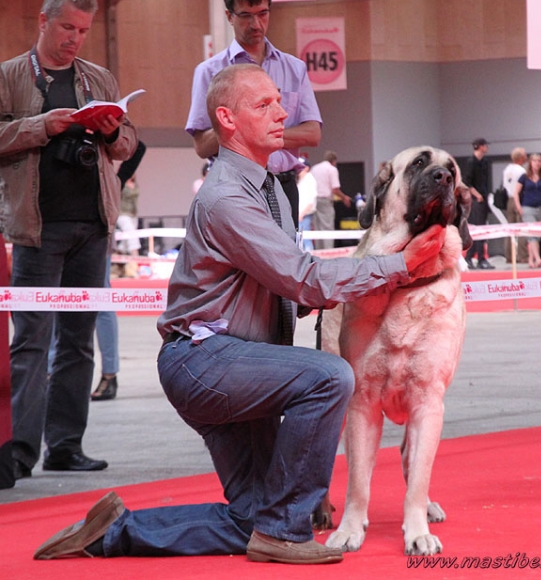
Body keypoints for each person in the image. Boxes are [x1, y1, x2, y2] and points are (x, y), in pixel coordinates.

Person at [33, 64, 446, 565]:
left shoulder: (268, 184)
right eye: (264, 105)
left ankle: (112, 533)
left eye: (279, 100)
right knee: (330, 377)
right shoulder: (229, 195)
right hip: (205, 362)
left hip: (231, 360)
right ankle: (287, 531)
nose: (282, 111)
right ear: (227, 119)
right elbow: (303, 279)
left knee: (251, 518)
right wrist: (400, 266)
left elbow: (297, 282)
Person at [0, 0, 138, 480]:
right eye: (66, 28)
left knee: (78, 342)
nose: (74, 39)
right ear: (43, 21)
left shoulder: (97, 77)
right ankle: (17, 451)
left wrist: (110, 131)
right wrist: (44, 126)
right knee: (31, 342)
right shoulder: (10, 76)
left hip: (92, 228)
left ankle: (65, 446)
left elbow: (126, 146)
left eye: (82, 31)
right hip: (37, 231)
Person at [186, 0, 322, 230]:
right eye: (246, 16)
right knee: (238, 267)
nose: (256, 24)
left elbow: (313, 133)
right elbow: (202, 145)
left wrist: (249, 132)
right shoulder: (209, 72)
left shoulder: (294, 68)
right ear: (229, 16)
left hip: (284, 184)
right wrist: (254, 131)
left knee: (284, 266)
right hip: (234, 188)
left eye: (262, 13)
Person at [92, 140, 147, 401]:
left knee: (102, 299)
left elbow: (139, 146)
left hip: (98, 219)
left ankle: (110, 374)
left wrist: (117, 182)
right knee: (56, 302)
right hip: (58, 218)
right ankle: (48, 372)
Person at [513, 153, 541, 268]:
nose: (537, 163)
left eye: (539, 161)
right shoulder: (524, 177)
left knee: (537, 235)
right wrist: (519, 207)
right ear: (530, 163)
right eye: (534, 161)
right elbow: (516, 192)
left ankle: (531, 260)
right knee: (532, 234)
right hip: (528, 208)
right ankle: (538, 258)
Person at [464, 138, 495, 269]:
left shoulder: (485, 162)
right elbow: (467, 182)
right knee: (477, 229)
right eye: (485, 145)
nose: (486, 147)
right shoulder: (471, 162)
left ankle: (476, 258)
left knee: (482, 229)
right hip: (476, 200)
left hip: (484, 199)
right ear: (480, 146)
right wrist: (477, 195)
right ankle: (474, 258)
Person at [311, 151, 352, 250]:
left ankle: (318, 252)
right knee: (327, 227)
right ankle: (328, 252)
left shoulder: (314, 168)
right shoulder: (332, 169)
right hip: (325, 200)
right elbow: (335, 189)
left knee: (317, 227)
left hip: (314, 200)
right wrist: (344, 197)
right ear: (333, 161)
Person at [502, 147, 528, 263]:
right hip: (519, 199)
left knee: (510, 228)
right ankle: (522, 255)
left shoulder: (507, 169)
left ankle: (509, 256)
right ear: (521, 157)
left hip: (509, 199)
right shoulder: (522, 171)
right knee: (521, 228)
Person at [297, 157, 317, 251]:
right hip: (300, 215)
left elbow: (310, 201)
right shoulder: (300, 180)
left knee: (305, 238)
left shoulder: (309, 180)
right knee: (300, 239)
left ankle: (309, 259)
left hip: (304, 215)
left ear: (306, 168)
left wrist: (302, 214)